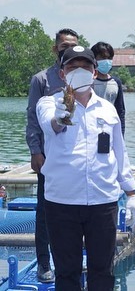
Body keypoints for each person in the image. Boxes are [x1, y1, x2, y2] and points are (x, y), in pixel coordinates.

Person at [36, 46, 135, 290]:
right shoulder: (48, 103)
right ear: (62, 74)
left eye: (85, 67)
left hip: (102, 202)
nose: (79, 72)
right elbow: (51, 124)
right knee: (67, 273)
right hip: (62, 202)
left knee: (103, 272)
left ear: (95, 73)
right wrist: (62, 116)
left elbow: (119, 152)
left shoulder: (108, 109)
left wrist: (131, 192)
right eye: (72, 67)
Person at [25, 28, 79, 283]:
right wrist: (35, 151)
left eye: (73, 45)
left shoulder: (82, 78)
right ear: (55, 48)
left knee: (77, 209)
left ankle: (71, 260)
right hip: (49, 155)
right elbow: (33, 119)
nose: (67, 49)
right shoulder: (42, 80)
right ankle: (44, 264)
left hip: (76, 156)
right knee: (45, 210)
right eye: (64, 46)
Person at [91, 41, 126, 135]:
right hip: (91, 127)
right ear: (94, 59)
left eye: (109, 58)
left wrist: (121, 135)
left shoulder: (116, 82)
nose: (106, 61)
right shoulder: (89, 82)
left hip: (110, 127)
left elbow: (120, 111)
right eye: (102, 58)